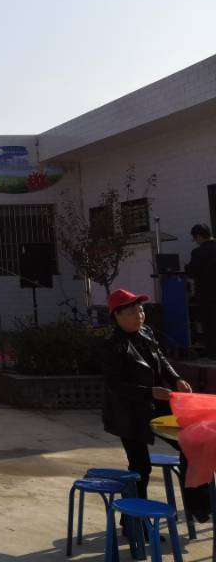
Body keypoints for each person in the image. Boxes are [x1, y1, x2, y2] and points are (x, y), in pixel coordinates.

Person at [101, 289, 210, 521]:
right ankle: (134, 523)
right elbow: (114, 385)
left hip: (157, 404)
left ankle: (197, 506)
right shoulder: (112, 344)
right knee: (140, 467)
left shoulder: (146, 333)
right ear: (117, 315)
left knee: (191, 445)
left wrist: (176, 379)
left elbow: (161, 359)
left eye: (141, 311)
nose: (139, 316)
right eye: (132, 312)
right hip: (129, 413)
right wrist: (149, 392)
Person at [184, 223, 216, 358]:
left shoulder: (198, 252)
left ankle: (212, 352)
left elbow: (192, 271)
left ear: (198, 236)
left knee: (209, 323)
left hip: (206, 294)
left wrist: (186, 267)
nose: (196, 241)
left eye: (195, 238)